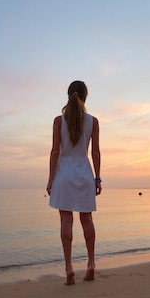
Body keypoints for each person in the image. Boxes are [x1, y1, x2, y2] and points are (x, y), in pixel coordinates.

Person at [47, 80, 101, 285]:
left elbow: (54, 151)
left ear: (68, 95)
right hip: (84, 173)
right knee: (87, 220)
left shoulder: (59, 121)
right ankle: (91, 264)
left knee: (65, 220)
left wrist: (51, 179)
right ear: (85, 97)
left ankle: (69, 267)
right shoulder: (93, 122)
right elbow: (95, 151)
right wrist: (97, 177)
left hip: (64, 173)